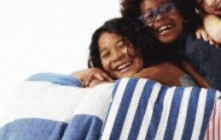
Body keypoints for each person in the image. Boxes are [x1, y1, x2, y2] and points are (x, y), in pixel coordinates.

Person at [72, 17, 203, 88]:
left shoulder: (163, 70)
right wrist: (87, 73)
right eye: (106, 55)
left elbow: (112, 90)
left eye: (122, 45)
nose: (117, 56)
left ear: (140, 43)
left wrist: (94, 82)